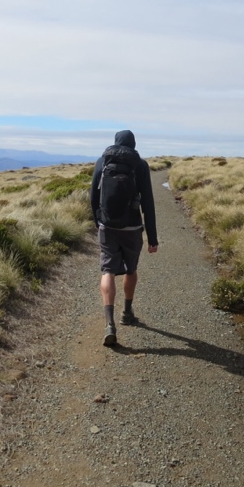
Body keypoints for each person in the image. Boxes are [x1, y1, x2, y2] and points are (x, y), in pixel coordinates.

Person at [90, 130, 158, 346]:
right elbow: (148, 202)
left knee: (107, 270)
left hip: (107, 226)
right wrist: (152, 237)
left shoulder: (102, 161)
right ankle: (127, 313)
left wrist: (99, 222)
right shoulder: (140, 165)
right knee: (131, 269)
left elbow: (93, 197)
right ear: (133, 145)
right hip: (132, 228)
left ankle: (109, 324)